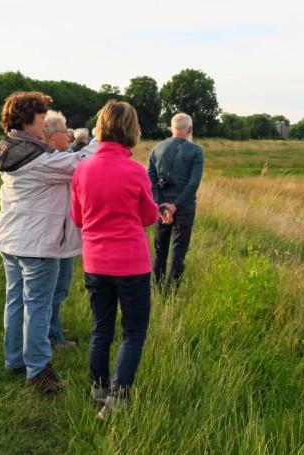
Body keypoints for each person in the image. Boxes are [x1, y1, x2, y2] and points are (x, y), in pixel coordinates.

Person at [0, 92, 90, 395]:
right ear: (26, 119)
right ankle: (38, 371)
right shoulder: (35, 158)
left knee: (16, 300)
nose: (44, 123)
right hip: (37, 244)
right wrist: (101, 138)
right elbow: (78, 163)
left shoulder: (14, 148)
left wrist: (35, 98)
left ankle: (15, 359)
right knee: (38, 305)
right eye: (40, 117)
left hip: (12, 240)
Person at [71, 100, 159, 420]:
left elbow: (78, 218)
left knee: (100, 329)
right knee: (133, 333)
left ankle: (98, 390)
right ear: (131, 131)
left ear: (101, 128)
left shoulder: (82, 169)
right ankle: (118, 400)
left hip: (95, 261)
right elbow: (149, 216)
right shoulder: (135, 170)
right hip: (131, 264)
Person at [147, 113, 204, 290]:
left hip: (161, 207)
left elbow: (150, 182)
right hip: (184, 207)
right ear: (190, 130)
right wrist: (176, 206)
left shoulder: (156, 149)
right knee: (178, 252)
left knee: (160, 250)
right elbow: (193, 183)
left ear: (172, 128)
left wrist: (161, 206)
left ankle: (156, 289)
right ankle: (170, 294)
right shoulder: (195, 151)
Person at [42, 110, 79, 349]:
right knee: (55, 289)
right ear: (53, 134)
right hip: (56, 238)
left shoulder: (57, 156)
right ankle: (52, 336)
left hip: (62, 236)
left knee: (59, 288)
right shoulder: (53, 161)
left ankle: (53, 325)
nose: (70, 135)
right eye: (66, 131)